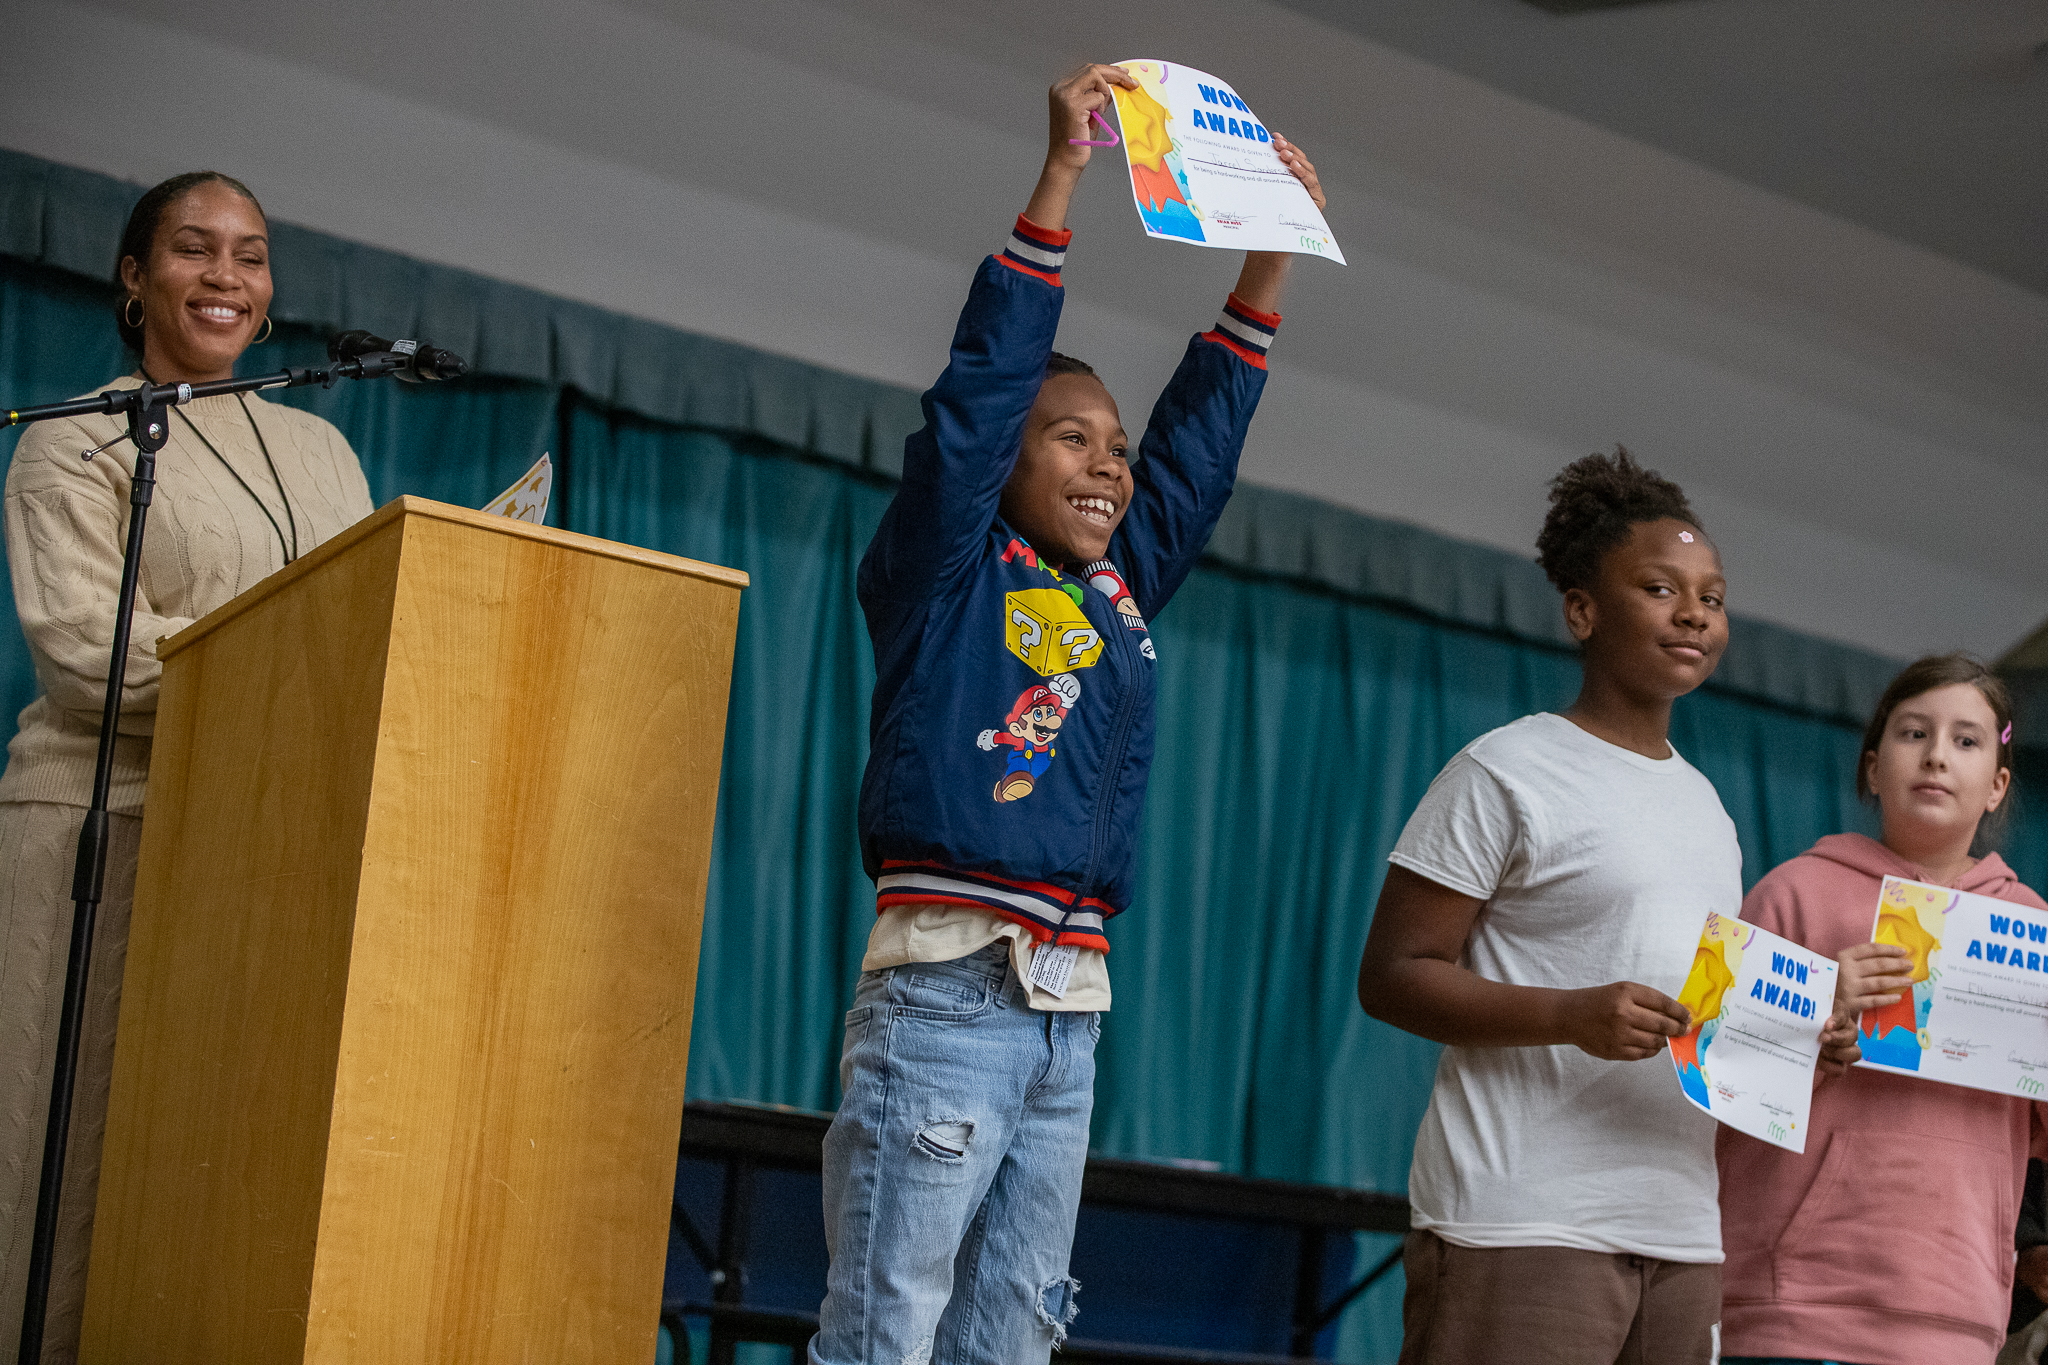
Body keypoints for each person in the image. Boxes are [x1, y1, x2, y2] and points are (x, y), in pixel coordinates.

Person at [813, 63, 1324, 1363]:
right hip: (948, 998)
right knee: (887, 1335)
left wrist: (1266, 268)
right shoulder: (944, 566)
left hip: (1069, 1018)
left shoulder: (1113, 593)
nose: (1106, 462)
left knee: (1011, 1343)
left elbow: (1193, 462)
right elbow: (979, 394)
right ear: (1008, 464)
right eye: (1070, 439)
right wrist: (1060, 182)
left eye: (1113, 445)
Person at [0, 172, 374, 1361]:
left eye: (251, 256)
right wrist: (293, 667)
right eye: (195, 249)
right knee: (48, 1173)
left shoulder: (319, 445)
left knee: (191, 1175)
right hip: (93, 834)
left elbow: (359, 623)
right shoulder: (73, 441)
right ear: (132, 275)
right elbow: (87, 658)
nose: (226, 277)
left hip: (255, 848)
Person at [1357, 449, 1738, 1365]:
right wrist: (1570, 1014)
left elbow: (1704, 1016)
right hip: (1522, 1218)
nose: (1694, 612)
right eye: (1660, 587)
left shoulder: (1711, 807)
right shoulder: (1509, 768)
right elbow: (1393, 976)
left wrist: (1802, 1046)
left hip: (1682, 1231)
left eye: (1713, 596)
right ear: (1582, 609)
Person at [1716, 654, 2048, 1365]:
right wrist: (1816, 1008)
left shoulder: (2034, 926)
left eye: (1966, 740)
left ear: (1997, 786)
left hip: (1958, 1314)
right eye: (1912, 733)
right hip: (1791, 1307)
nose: (1935, 755)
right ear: (1872, 769)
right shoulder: (1790, 891)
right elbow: (1710, 1086)